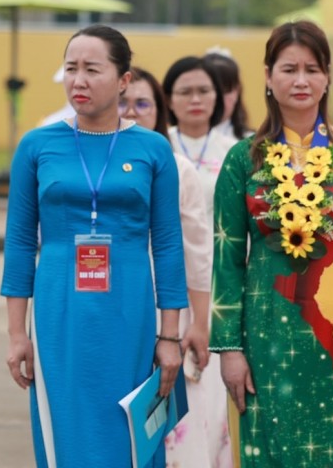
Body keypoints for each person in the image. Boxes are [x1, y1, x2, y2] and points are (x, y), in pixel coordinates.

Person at [211, 20, 333, 466]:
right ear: (267, 76)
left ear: (327, 77)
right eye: (289, 69)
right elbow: (227, 259)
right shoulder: (243, 159)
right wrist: (229, 348)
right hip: (265, 344)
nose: (301, 80)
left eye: (312, 69)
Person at [2, 25, 188, 467]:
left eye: (92, 69)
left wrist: (169, 335)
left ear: (124, 80)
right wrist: (16, 334)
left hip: (129, 311)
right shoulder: (36, 146)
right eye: (71, 69)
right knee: (66, 428)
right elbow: (20, 241)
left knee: (126, 433)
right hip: (58, 310)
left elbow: (167, 245)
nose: (78, 80)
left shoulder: (153, 149)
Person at [120, 67, 233, 468]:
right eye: (123, 102)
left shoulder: (176, 167)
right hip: (121, 304)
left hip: (172, 304)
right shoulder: (97, 167)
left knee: (177, 415)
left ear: (159, 110)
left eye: (142, 103)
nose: (131, 112)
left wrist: (200, 323)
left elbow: (198, 254)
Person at [163, 56, 238, 215]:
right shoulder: (159, 146)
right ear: (169, 100)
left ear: (216, 96)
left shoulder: (233, 151)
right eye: (185, 92)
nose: (195, 100)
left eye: (204, 91)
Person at [204, 50, 253, 140]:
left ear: (237, 91)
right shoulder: (176, 139)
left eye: (224, 90)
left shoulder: (251, 141)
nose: (216, 98)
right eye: (205, 91)